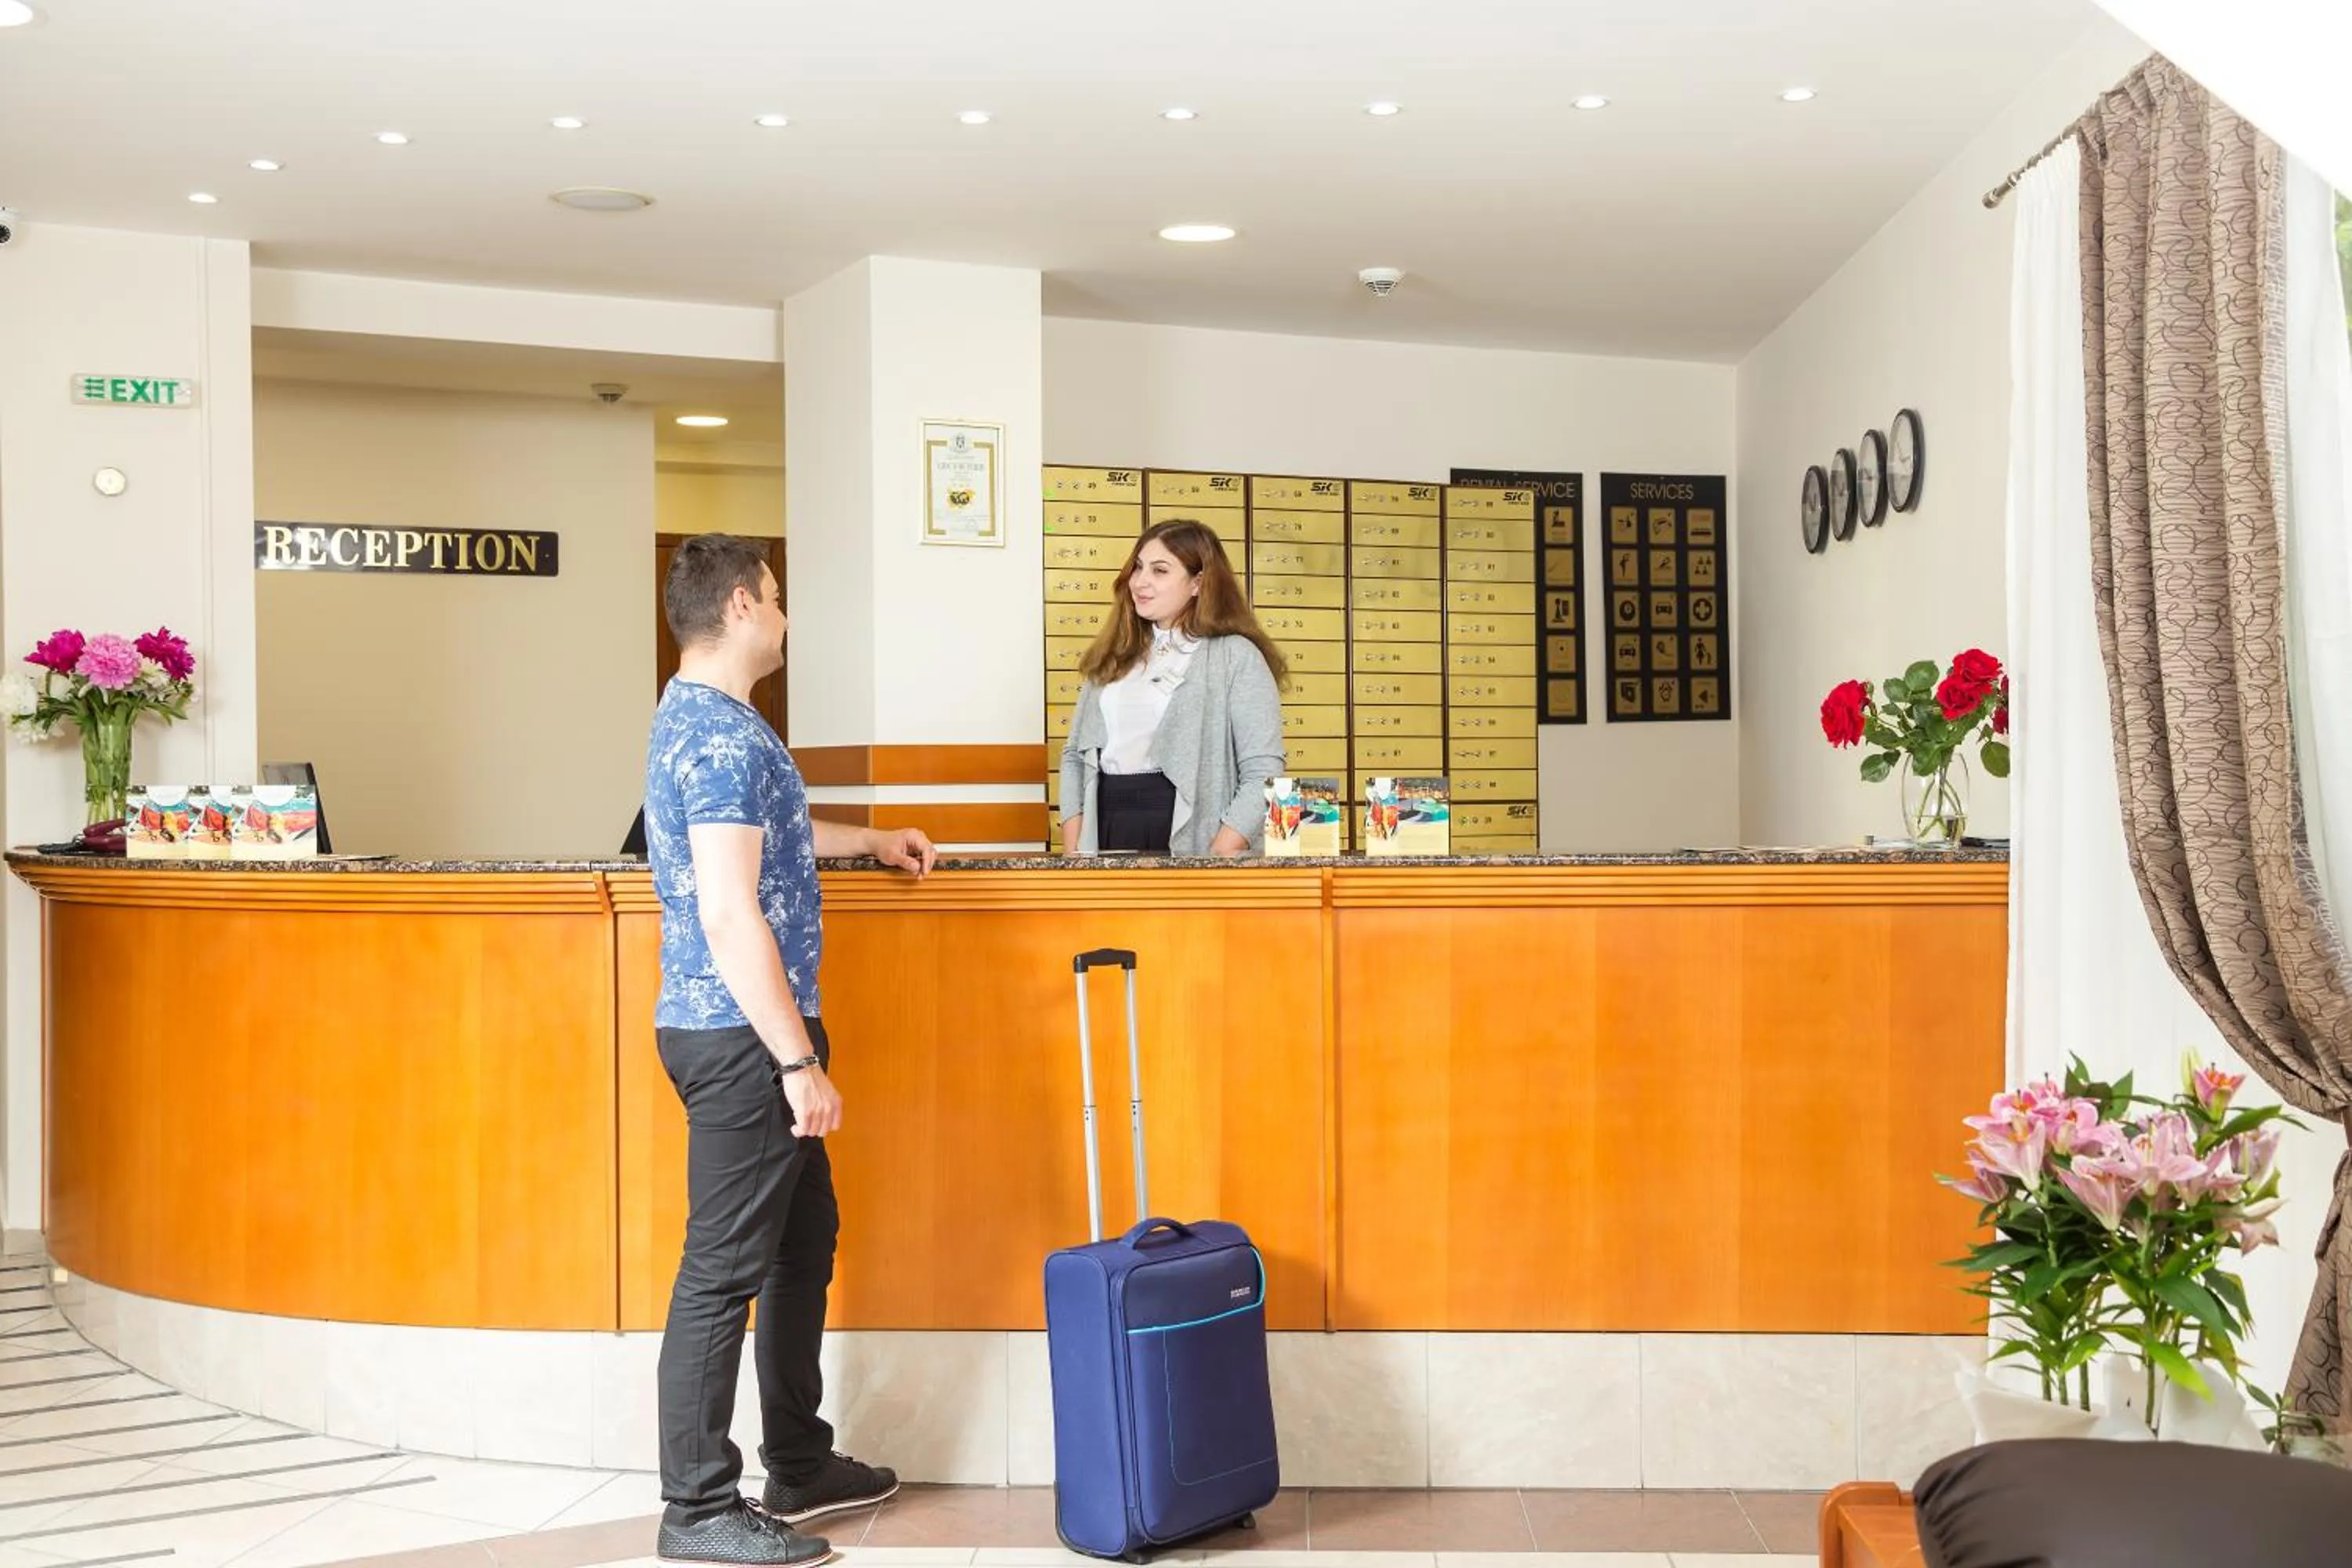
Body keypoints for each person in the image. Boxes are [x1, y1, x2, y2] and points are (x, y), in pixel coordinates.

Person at [644, 533, 937, 1566]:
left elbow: (761, 841)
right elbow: (730, 912)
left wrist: (871, 840)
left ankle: (800, 1461)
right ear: (738, 605)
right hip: (743, 1037)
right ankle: (697, 1508)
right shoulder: (721, 735)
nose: (783, 615)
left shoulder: (711, 718)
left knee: (801, 1243)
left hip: (748, 1028)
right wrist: (795, 1061)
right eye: (774, 597)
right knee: (723, 1269)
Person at [1058, 518, 1287, 857]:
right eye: (1138, 567)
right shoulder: (1114, 655)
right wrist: (1074, 853)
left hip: (1192, 833)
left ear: (1198, 583)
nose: (1140, 581)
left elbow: (1263, 773)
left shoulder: (1235, 656)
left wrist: (1217, 857)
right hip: (1107, 824)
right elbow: (1075, 758)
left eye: (1160, 570)